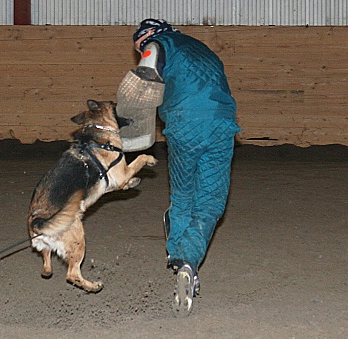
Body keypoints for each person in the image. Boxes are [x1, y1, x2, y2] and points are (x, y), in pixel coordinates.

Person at [131, 19, 240, 315]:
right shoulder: (202, 48)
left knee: (182, 196)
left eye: (139, 44)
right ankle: (189, 262)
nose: (141, 49)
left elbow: (146, 71)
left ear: (148, 35)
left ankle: (179, 255)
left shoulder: (158, 44)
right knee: (210, 202)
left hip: (185, 123)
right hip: (222, 123)